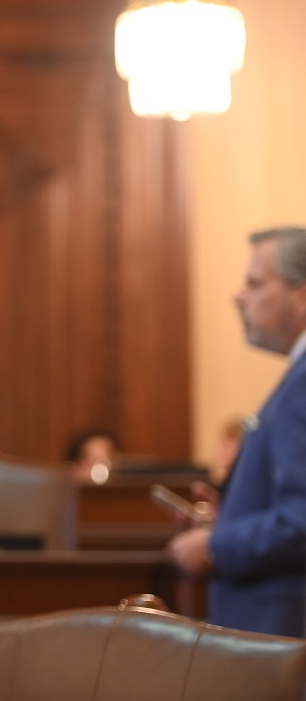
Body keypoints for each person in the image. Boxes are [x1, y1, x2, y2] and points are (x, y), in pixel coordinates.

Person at [168, 226, 306, 637]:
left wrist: (215, 546)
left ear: (301, 296)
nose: (237, 296)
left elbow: (300, 522)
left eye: (255, 283)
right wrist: (232, 512)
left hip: (282, 640)